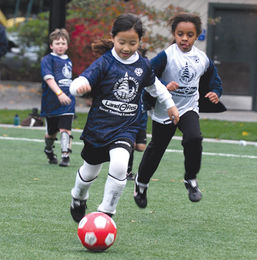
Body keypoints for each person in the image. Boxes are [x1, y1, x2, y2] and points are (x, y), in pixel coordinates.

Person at [69, 13, 179, 222]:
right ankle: (78, 196)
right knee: (90, 171)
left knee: (120, 164)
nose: (127, 48)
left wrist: (171, 105)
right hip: (99, 128)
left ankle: (106, 211)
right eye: (122, 42)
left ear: (140, 41)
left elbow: (156, 87)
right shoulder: (105, 63)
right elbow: (81, 79)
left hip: (125, 129)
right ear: (113, 38)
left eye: (132, 43)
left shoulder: (143, 65)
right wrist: (78, 87)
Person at [134, 12, 224, 208]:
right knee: (157, 149)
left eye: (190, 34)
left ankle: (190, 180)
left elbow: (214, 81)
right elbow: (147, 76)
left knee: (194, 138)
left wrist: (216, 92)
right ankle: (141, 184)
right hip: (165, 108)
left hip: (188, 108)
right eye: (180, 34)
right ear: (174, 34)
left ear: (197, 35)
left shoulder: (202, 59)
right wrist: (164, 85)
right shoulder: (167, 56)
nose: (184, 38)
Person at [40, 28, 75, 167]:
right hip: (52, 102)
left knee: (65, 129)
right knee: (51, 133)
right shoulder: (47, 59)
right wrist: (59, 94)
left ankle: (65, 156)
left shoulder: (69, 61)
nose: (60, 46)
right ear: (51, 45)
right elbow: (49, 79)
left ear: (67, 45)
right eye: (57, 43)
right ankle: (49, 149)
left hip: (68, 102)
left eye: (63, 43)